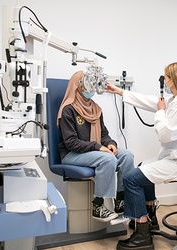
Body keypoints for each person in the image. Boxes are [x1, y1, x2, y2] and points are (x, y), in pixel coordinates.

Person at [105, 61, 177, 250]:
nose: (164, 80)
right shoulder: (176, 100)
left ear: (173, 80)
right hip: (175, 157)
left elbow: (165, 134)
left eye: (166, 77)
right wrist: (120, 92)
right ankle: (150, 217)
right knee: (142, 167)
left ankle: (142, 234)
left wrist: (159, 112)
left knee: (131, 178)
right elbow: (151, 101)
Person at [57, 70, 135, 223]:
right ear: (78, 86)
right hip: (72, 154)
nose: (90, 90)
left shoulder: (95, 108)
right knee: (107, 159)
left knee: (126, 156)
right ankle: (98, 206)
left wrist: (111, 144)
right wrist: (98, 147)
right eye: (87, 85)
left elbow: (104, 134)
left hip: (91, 151)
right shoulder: (68, 109)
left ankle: (121, 200)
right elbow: (71, 142)